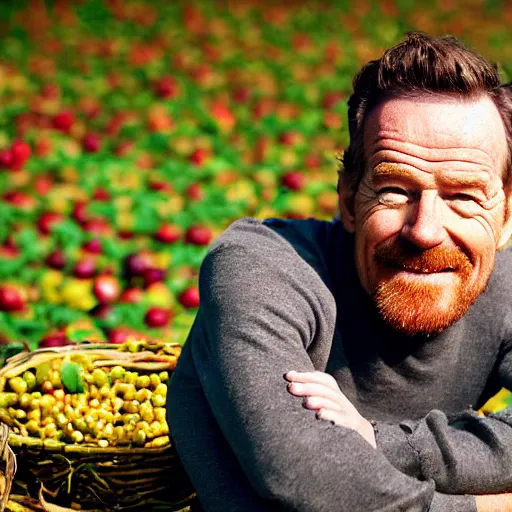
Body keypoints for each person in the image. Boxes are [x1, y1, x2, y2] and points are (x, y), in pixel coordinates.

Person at [167, 32, 512, 511]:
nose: (426, 231)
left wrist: (382, 442)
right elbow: (300, 474)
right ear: (349, 199)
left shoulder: (504, 283)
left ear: (507, 216)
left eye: (463, 196)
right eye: (395, 189)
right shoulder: (261, 267)